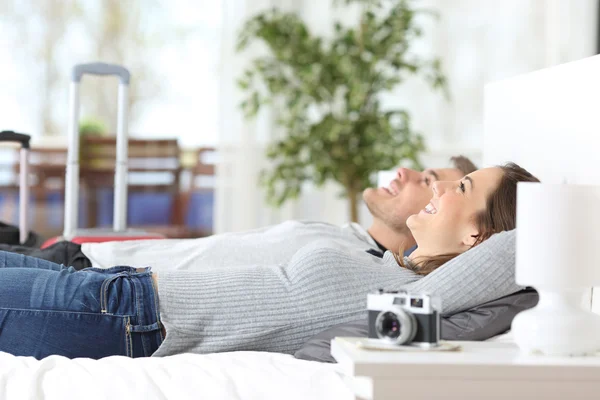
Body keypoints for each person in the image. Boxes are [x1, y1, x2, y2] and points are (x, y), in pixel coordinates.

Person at [0, 163, 539, 360]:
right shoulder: (396, 273)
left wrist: (557, 215)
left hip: (130, 316)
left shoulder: (422, 300)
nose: (438, 190)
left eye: (458, 187)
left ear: (478, 236)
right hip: (119, 286)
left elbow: (519, 248)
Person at [0, 156, 477, 270]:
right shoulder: (342, 235)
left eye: (429, 181)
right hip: (84, 255)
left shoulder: (358, 266)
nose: (407, 170)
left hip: (90, 271)